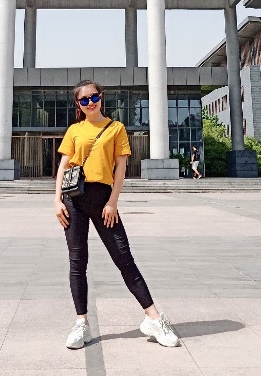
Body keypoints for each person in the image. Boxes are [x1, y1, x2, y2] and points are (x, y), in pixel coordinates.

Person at [55, 80, 179, 350]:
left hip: (103, 199)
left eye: (94, 97)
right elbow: (63, 166)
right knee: (77, 262)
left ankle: (154, 318)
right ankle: (81, 323)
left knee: (124, 258)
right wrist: (56, 201)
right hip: (73, 200)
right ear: (78, 105)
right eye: (84, 100)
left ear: (101, 97)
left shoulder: (116, 128)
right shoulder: (75, 130)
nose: (90, 103)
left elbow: (120, 169)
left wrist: (112, 202)